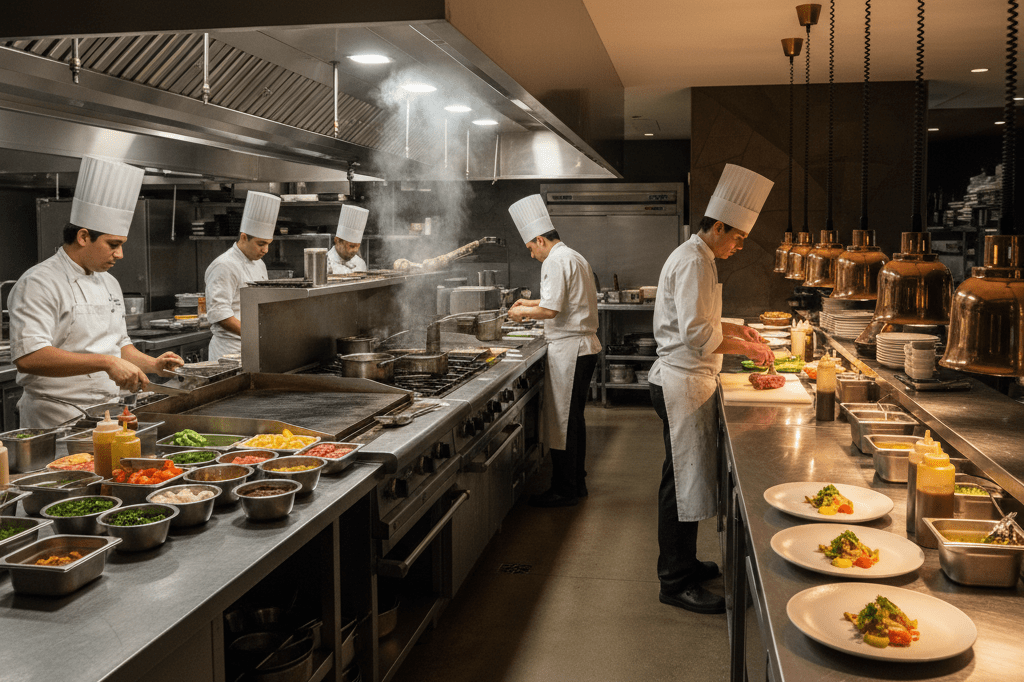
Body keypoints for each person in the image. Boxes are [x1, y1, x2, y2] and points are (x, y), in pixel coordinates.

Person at [649, 164, 776, 614]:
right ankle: (674, 580)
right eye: (738, 238)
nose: (739, 247)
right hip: (680, 381)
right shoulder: (691, 261)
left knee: (685, 478)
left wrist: (739, 329)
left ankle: (684, 562)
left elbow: (703, 321)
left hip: (689, 379)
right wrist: (745, 348)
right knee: (680, 482)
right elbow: (696, 335)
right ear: (718, 226)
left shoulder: (701, 257)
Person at [9, 156, 184, 428]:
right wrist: (106, 363)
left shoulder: (108, 282)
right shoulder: (39, 282)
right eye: (113, 244)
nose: (120, 254)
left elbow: (119, 345)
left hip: (109, 414)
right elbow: (30, 357)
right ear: (82, 237)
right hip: (58, 419)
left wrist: (153, 364)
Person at [508, 194, 601, 508]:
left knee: (564, 420)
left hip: (571, 350)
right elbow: (564, 302)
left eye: (531, 248)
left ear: (538, 240)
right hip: (582, 347)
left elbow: (552, 310)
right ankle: (577, 483)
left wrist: (522, 313)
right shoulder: (572, 256)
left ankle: (565, 490)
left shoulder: (554, 261)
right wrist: (529, 303)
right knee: (573, 419)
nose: (532, 255)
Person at [205, 191, 281, 360]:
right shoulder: (224, 265)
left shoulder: (259, 264)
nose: (265, 250)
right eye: (260, 244)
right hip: (229, 351)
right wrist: (256, 335)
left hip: (254, 346)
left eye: (268, 244)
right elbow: (220, 315)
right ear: (244, 237)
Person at [329, 205, 368, 274]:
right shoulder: (325, 264)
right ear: (337, 241)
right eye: (351, 246)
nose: (355, 250)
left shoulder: (360, 264)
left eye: (358, 246)